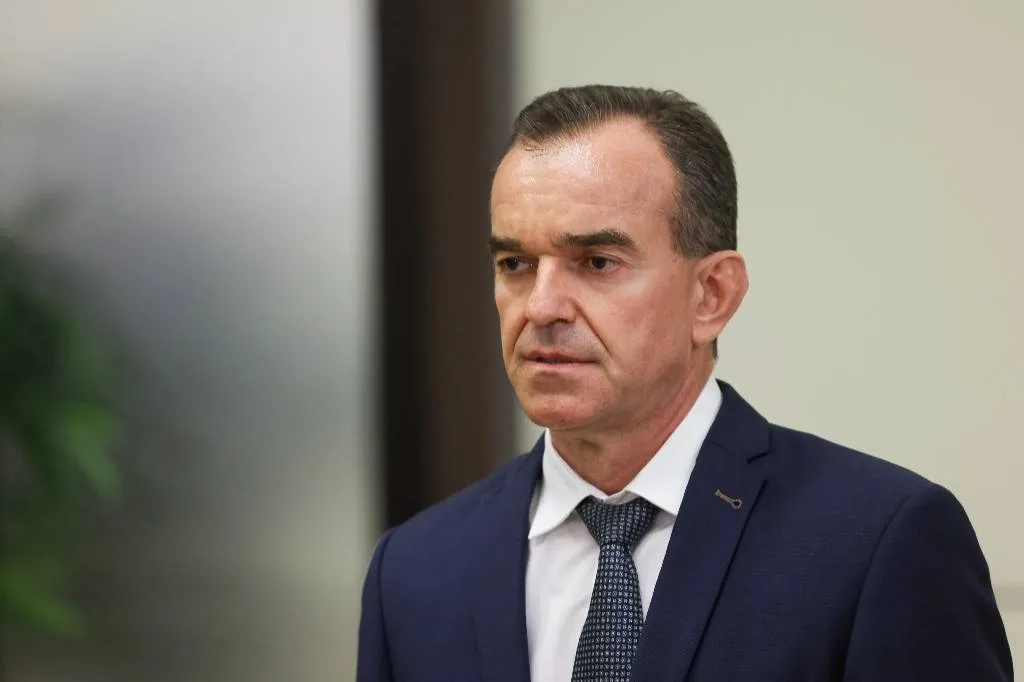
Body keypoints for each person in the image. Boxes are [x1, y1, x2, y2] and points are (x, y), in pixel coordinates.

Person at [356, 85, 1013, 681]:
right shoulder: (413, 571)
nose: (541, 306)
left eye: (597, 261)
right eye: (515, 264)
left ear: (712, 295)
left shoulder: (876, 543)